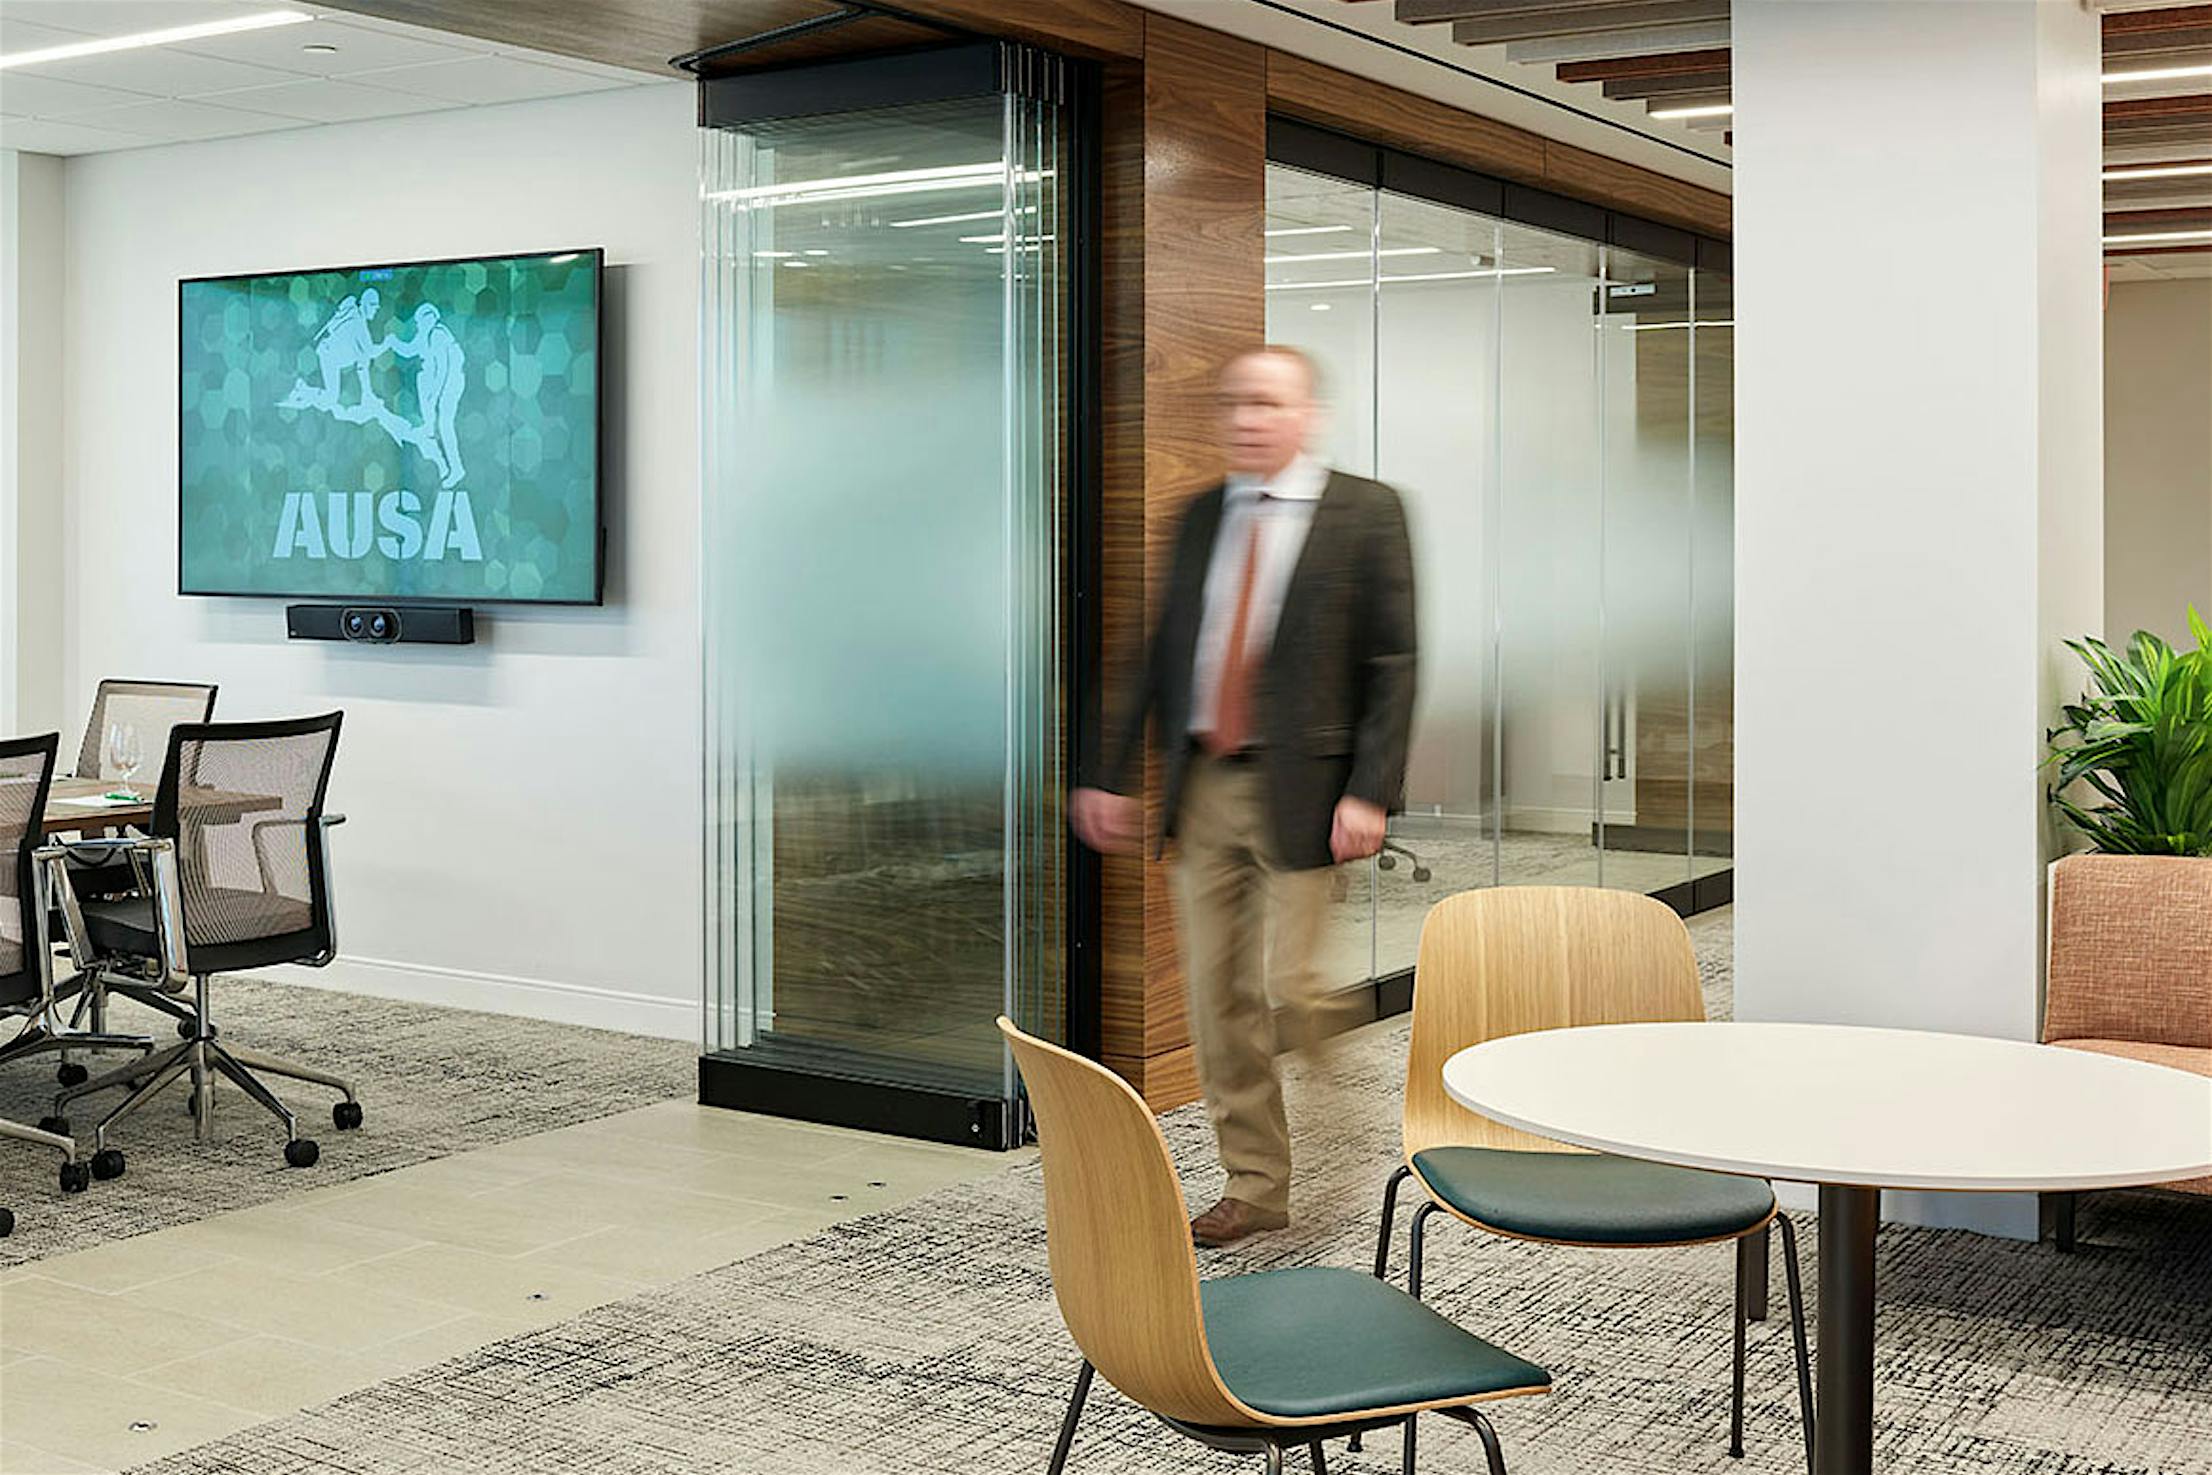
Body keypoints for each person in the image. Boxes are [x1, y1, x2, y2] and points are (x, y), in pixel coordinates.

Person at [1068, 345, 1418, 1248]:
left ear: (1309, 414)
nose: (1247, 419)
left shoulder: (1367, 512)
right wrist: (1106, 773)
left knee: (1289, 985)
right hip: (1210, 783)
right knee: (1217, 999)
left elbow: (1392, 664)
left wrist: (1371, 790)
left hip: (1306, 787)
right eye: (1234, 403)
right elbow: (1159, 652)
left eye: (1267, 403)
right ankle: (1256, 1186)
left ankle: (1357, 1124)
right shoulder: (1199, 516)